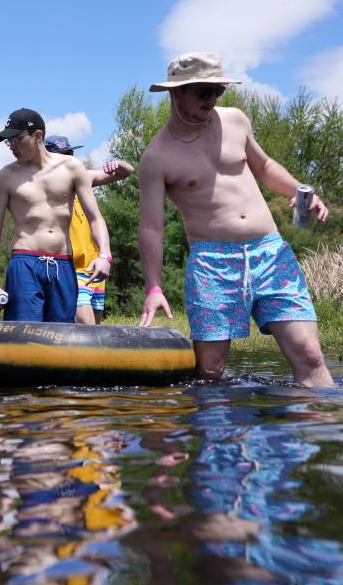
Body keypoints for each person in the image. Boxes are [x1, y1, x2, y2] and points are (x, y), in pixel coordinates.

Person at [138, 51, 333, 387]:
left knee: (310, 355)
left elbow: (266, 168)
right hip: (213, 264)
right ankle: (223, 436)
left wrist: (302, 191)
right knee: (210, 372)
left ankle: (307, 435)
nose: (212, 99)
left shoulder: (235, 121)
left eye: (218, 91)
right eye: (203, 92)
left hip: (270, 253)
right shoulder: (157, 156)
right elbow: (151, 228)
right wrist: (154, 286)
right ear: (176, 92)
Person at [0, 108, 111, 322]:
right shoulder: (6, 176)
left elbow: (95, 218)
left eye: (17, 139)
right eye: (9, 142)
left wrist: (104, 255)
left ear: (38, 135)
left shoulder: (72, 168)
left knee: (61, 341)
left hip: (63, 264)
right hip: (25, 262)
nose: (12, 147)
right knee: (23, 337)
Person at [44, 135, 135, 324]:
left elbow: (127, 172)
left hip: (94, 269)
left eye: (70, 154)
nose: (69, 159)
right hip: (72, 270)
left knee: (96, 334)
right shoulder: (45, 188)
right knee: (88, 330)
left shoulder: (82, 179)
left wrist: (119, 164)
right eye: (62, 155)